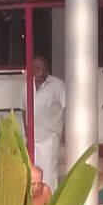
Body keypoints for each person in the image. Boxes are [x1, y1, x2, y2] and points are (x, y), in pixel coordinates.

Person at [31, 55, 65, 189]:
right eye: (37, 69)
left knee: (49, 173)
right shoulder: (27, 85)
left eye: (44, 69)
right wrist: (28, 133)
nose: (41, 72)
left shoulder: (57, 85)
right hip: (34, 138)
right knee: (35, 173)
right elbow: (24, 110)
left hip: (50, 137)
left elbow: (68, 106)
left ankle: (50, 202)